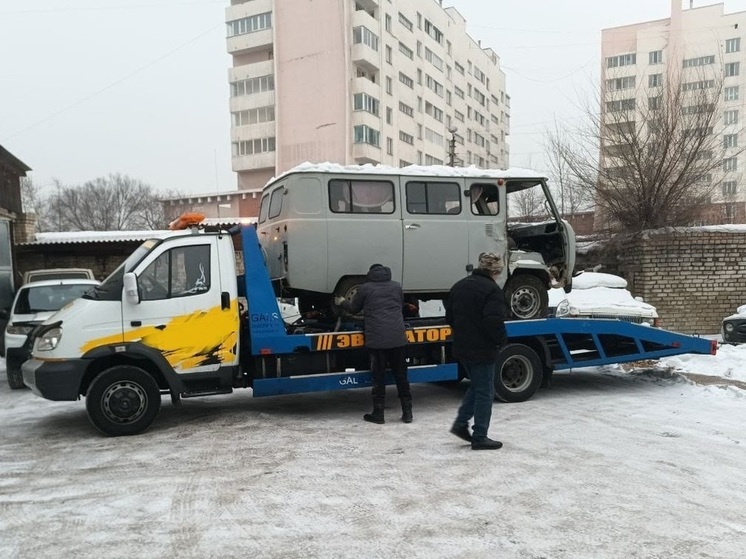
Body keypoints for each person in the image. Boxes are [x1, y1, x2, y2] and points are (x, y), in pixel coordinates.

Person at [445, 252, 507, 450]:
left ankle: (460, 424)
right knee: (485, 392)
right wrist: (500, 340)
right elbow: (493, 321)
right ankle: (480, 436)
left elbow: (449, 318)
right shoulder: (492, 291)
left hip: (462, 347)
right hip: (482, 349)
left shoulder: (459, 285)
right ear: (496, 271)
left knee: (478, 386)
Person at [336, 264, 412, 424]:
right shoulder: (396, 286)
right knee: (401, 376)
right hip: (398, 338)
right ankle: (407, 413)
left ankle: (379, 414)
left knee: (379, 378)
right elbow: (399, 305)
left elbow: (354, 309)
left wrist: (342, 302)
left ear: (370, 273)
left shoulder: (365, 288)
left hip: (377, 341)